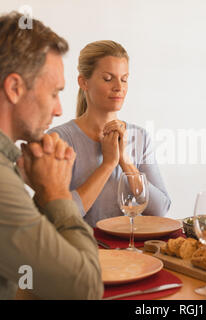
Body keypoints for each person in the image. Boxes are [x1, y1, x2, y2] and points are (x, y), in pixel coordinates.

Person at [0, 12, 103, 299]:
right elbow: (83, 289)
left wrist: (44, 195)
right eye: (55, 93)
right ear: (14, 88)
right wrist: (58, 194)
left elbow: (31, 272)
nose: (59, 109)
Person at [49, 40, 171, 227]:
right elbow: (61, 217)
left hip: (130, 252)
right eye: (108, 78)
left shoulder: (140, 137)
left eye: (124, 79)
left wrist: (125, 160)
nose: (118, 87)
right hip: (82, 252)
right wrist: (108, 164)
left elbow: (160, 210)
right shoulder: (59, 139)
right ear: (84, 82)